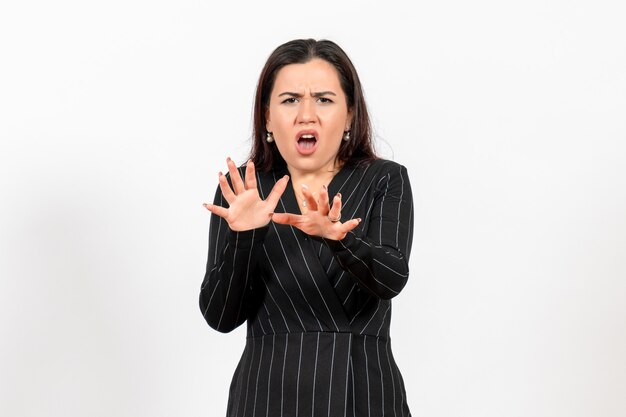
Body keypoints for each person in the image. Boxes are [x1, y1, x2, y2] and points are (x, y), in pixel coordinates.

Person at [200, 38, 414, 417]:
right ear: (267, 117)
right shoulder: (247, 191)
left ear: (349, 115)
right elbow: (220, 316)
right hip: (266, 396)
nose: (306, 114)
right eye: (290, 100)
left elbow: (391, 277)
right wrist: (244, 238)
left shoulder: (384, 179)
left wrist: (339, 238)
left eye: (324, 99)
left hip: (362, 391)